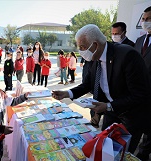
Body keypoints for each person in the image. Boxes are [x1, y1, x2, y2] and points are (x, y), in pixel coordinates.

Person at [52, 24, 151, 154]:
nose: (80, 51)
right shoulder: (94, 57)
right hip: (111, 113)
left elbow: (139, 95)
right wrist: (67, 93)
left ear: (95, 45)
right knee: (104, 149)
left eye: (82, 47)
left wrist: (109, 106)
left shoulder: (127, 55)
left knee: (122, 154)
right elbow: (87, 84)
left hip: (131, 115)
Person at [134, 6, 151, 160]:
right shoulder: (139, 41)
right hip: (138, 94)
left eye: (149, 19)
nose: (146, 22)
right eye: (144, 19)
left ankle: (143, 154)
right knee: (139, 124)